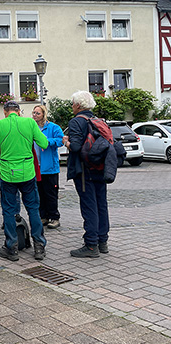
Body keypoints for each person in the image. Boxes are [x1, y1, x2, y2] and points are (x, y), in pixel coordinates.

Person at [0, 100, 49, 261]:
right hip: (27, 173)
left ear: (5, 112)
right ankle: (39, 246)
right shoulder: (30, 123)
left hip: (7, 174)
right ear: (19, 111)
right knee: (33, 209)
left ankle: (12, 248)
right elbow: (44, 143)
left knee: (9, 211)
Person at [63, 90, 109, 258]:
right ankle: (102, 241)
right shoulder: (98, 120)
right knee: (101, 204)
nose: (72, 106)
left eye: (72, 104)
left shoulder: (77, 121)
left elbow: (75, 147)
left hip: (84, 170)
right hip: (100, 168)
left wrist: (66, 142)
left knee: (89, 206)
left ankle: (91, 245)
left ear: (78, 105)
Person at [32, 105, 64, 229]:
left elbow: (60, 141)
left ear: (43, 114)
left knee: (50, 194)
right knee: (39, 194)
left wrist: (47, 141)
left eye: (37, 113)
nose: (35, 115)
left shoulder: (53, 127)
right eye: (34, 113)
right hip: (36, 167)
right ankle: (43, 216)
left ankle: (54, 217)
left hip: (50, 168)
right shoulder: (32, 128)